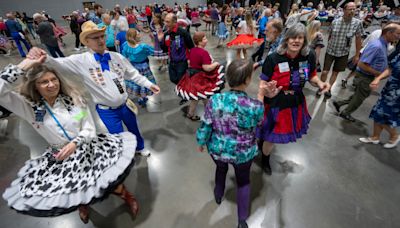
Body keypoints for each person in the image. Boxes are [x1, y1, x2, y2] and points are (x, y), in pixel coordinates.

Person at [1, 58, 139, 223]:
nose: (51, 84)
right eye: (44, 82)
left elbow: (89, 127)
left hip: (88, 148)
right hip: (61, 156)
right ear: (35, 86)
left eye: (54, 79)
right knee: (74, 189)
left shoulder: (75, 99)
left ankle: (127, 196)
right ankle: (82, 205)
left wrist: (76, 142)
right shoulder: (29, 107)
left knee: (108, 180)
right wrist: (24, 65)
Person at [27, 20, 160, 157]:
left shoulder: (117, 57)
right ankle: (125, 155)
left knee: (134, 129)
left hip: (126, 105)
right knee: (118, 136)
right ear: (86, 42)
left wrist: (148, 84)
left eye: (102, 36)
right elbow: (56, 63)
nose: (100, 40)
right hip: (107, 111)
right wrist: (41, 55)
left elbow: (133, 74)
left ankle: (139, 147)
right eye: (95, 38)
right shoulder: (81, 60)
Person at [197, 59, 264, 228]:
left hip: (218, 149)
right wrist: (262, 96)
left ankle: (218, 194)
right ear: (248, 80)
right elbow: (260, 123)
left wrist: (201, 141)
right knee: (243, 181)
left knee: (220, 169)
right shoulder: (254, 105)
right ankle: (242, 220)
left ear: (227, 78)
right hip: (243, 153)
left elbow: (206, 123)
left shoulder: (215, 100)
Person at [256, 23, 330, 174]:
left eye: (300, 38)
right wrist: (259, 102)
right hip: (274, 101)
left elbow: (312, 76)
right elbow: (263, 83)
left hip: (294, 102)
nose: (296, 41)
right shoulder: (273, 58)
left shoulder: (308, 55)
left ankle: (263, 148)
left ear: (304, 40)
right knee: (270, 137)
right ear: (286, 39)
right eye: (293, 37)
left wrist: (320, 83)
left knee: (271, 135)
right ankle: (264, 160)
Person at [332, 23, 400, 122]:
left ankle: (340, 103)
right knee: (359, 97)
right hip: (365, 77)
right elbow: (361, 64)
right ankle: (345, 113)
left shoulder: (383, 44)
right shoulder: (377, 46)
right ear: (389, 33)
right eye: (398, 33)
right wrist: (378, 74)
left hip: (367, 77)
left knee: (359, 95)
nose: (398, 36)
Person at [175, 31, 224, 120]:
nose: (207, 40)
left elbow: (189, 62)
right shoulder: (203, 53)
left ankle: (191, 114)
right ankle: (209, 114)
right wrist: (216, 64)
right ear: (200, 42)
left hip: (191, 76)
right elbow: (207, 68)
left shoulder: (193, 50)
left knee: (197, 98)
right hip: (200, 78)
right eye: (204, 38)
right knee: (205, 95)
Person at [359, 44, 400, 149]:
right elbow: (389, 69)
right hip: (389, 89)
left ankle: (394, 135)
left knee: (384, 114)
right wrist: (378, 78)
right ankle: (375, 137)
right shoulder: (398, 55)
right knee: (377, 110)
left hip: (397, 95)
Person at [319, 2, 363, 98]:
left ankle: (328, 88)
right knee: (325, 72)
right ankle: (321, 86)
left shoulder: (357, 23)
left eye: (354, 9)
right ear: (344, 10)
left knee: (335, 72)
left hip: (343, 53)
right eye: (350, 9)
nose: (352, 11)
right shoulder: (335, 21)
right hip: (330, 51)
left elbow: (358, 40)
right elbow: (329, 35)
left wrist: (356, 55)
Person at [160, 13, 194, 106]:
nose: (165, 23)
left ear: (174, 22)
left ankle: (185, 96)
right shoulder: (167, 33)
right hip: (172, 61)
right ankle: (185, 86)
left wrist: (192, 60)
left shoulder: (183, 32)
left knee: (180, 79)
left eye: (168, 21)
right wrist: (160, 40)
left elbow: (191, 46)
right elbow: (164, 49)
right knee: (173, 78)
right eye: (165, 21)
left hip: (182, 62)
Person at [122, 29, 157, 107]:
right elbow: (154, 52)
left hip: (133, 66)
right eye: (138, 34)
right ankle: (142, 98)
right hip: (143, 67)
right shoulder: (143, 47)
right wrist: (153, 40)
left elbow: (124, 57)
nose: (139, 35)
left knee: (136, 83)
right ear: (133, 36)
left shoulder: (125, 45)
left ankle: (140, 98)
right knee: (144, 82)